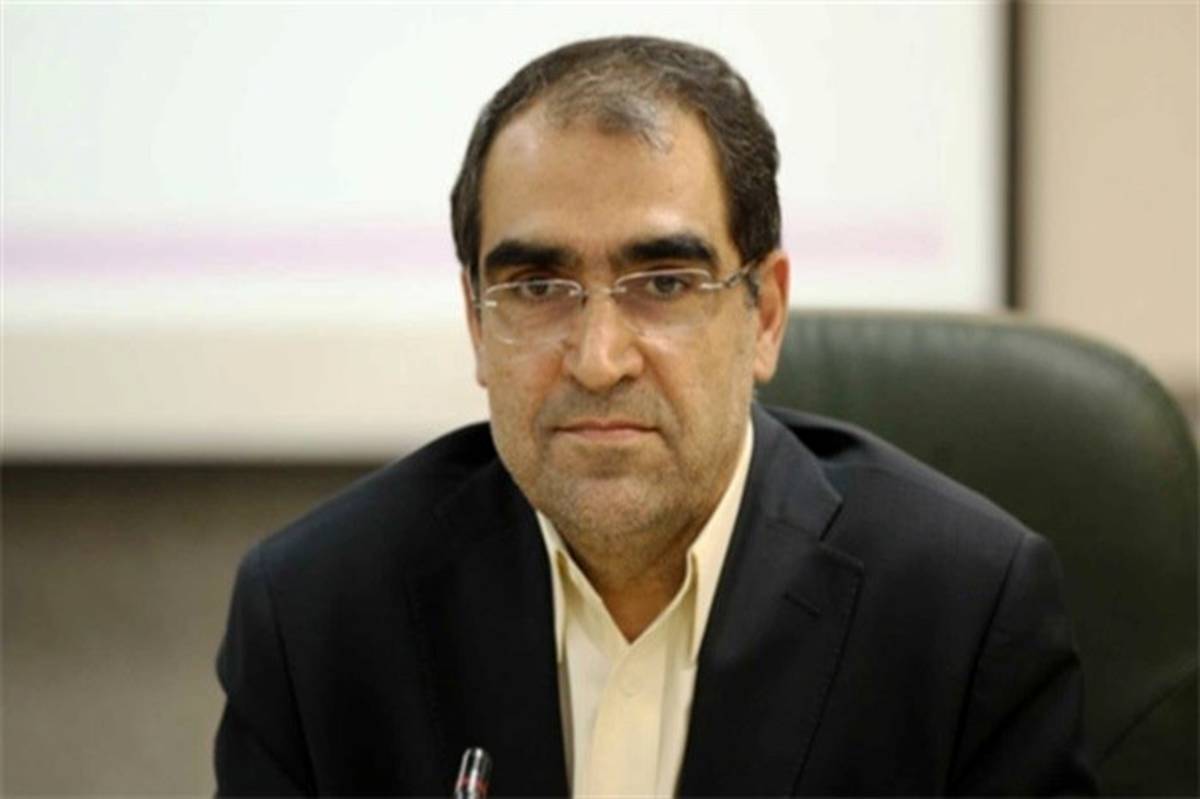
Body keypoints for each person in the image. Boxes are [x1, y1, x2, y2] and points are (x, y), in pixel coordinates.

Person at [214, 36, 1097, 796]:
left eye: (665, 283)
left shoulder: (963, 613)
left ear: (764, 314)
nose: (599, 359)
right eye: (537, 288)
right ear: (477, 325)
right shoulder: (316, 616)